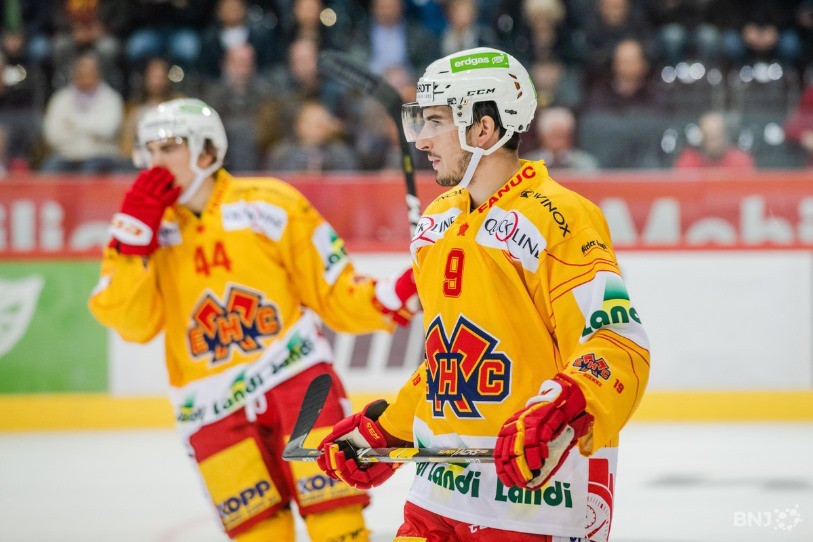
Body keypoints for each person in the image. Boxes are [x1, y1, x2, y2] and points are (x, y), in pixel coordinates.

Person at [315, 47, 650, 541]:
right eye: (419, 122)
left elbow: (617, 344)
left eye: (435, 122)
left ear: (484, 129)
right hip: (439, 492)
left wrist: (564, 408)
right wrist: (390, 430)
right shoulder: (438, 221)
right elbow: (451, 359)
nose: (421, 140)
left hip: (534, 499)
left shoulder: (558, 216)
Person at [88, 97, 418, 542]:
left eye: (168, 147)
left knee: (336, 520)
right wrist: (131, 246)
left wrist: (394, 294)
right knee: (260, 534)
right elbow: (132, 323)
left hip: (295, 380)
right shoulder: (145, 229)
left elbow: (335, 290)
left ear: (206, 151)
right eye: (148, 149)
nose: (154, 162)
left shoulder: (271, 205)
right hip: (209, 407)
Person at [673, 110, 755, 169]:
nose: (714, 142)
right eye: (710, 136)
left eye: (717, 136)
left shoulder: (740, 160)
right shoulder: (689, 160)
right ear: (702, 137)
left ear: (725, 135)